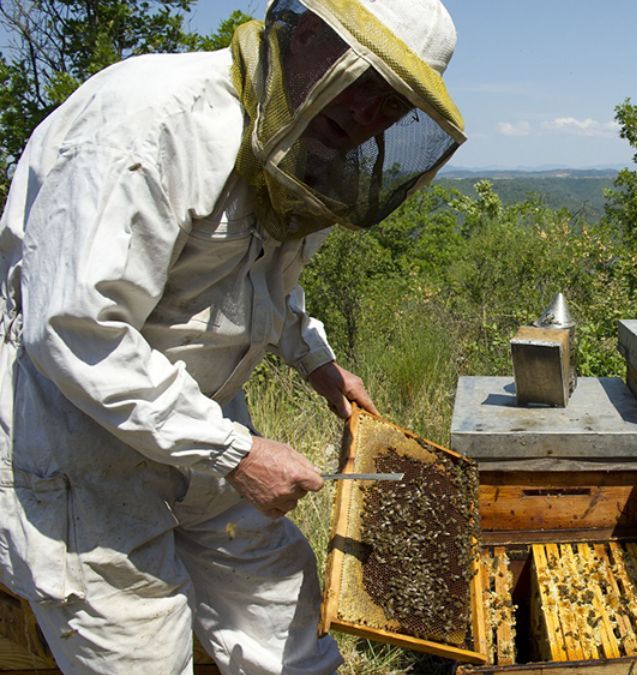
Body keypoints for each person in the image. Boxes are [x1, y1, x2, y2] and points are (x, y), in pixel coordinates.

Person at [0, 0, 466, 671]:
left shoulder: (297, 142)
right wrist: (235, 451)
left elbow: (263, 281)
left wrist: (318, 363)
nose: (368, 115)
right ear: (307, 35)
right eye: (365, 82)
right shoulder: (152, 121)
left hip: (203, 422)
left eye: (392, 103)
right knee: (143, 651)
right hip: (83, 447)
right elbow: (76, 327)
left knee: (287, 619)